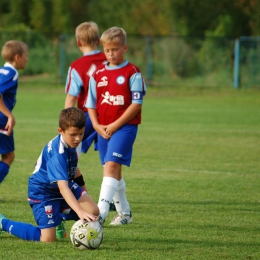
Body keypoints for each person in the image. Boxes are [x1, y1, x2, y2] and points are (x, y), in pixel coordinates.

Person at [0, 107, 99, 242]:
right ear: (60, 131)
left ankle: (58, 217)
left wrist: (85, 193)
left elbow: (75, 168)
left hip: (63, 184)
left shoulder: (75, 142)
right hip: (43, 191)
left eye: (81, 134)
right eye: (73, 134)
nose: (77, 139)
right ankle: (3, 223)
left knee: (93, 211)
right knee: (47, 239)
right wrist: (80, 211)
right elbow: (63, 187)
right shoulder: (57, 155)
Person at [86, 27, 146, 226]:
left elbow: (136, 104)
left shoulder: (133, 72)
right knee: (112, 169)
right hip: (103, 129)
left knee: (111, 166)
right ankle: (125, 214)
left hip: (125, 127)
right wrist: (96, 125)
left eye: (115, 49)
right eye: (107, 50)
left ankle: (100, 214)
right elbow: (91, 104)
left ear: (125, 48)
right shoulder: (98, 73)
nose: (111, 54)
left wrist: (114, 125)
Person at [63, 21, 116, 212]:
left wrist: (65, 124)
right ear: (98, 40)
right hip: (111, 115)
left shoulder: (77, 66)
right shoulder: (111, 58)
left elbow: (71, 99)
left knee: (69, 153)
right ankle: (112, 203)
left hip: (86, 116)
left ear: (79, 42)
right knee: (110, 161)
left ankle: (68, 197)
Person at [0, 40, 29, 186]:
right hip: (1, 120)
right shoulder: (12, 73)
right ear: (18, 57)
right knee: (8, 156)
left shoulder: (1, 70)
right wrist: (9, 115)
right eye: (26, 55)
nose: (27, 59)